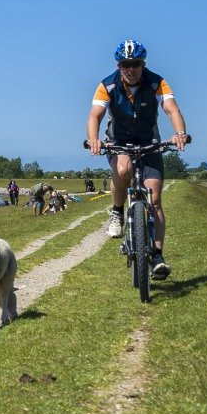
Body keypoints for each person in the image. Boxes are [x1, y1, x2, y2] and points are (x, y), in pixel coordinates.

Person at [86, 39, 188, 279]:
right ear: (118, 65)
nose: (130, 69)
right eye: (125, 64)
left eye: (136, 63)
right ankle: (117, 212)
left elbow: (172, 108)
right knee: (123, 169)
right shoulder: (107, 85)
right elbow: (95, 115)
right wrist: (93, 139)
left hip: (149, 143)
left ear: (143, 63)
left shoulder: (157, 82)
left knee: (154, 200)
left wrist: (180, 134)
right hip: (118, 142)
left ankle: (158, 256)